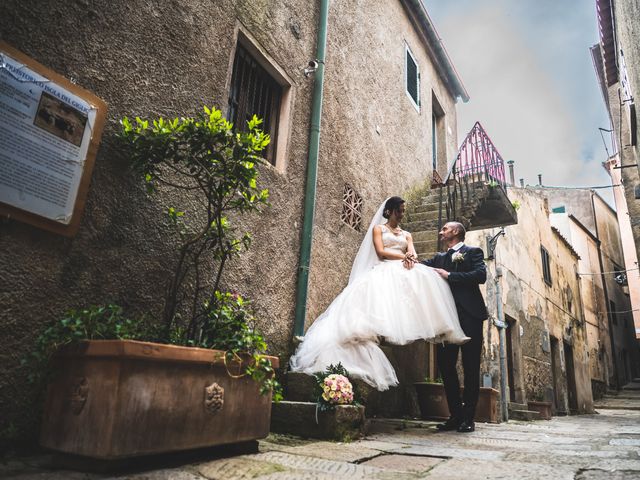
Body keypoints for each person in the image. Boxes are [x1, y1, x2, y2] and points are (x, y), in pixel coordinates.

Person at [289, 197, 469, 391]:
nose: (402, 214)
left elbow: (413, 254)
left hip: (403, 268)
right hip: (384, 268)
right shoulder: (378, 229)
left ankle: (443, 327)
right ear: (390, 211)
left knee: (430, 278)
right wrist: (404, 256)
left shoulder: (407, 234)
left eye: (403, 210)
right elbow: (381, 252)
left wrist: (410, 257)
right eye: (399, 210)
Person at [419, 221, 487, 433]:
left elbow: (480, 275)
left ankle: (468, 419)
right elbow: (421, 267)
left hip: (470, 317)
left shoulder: (473, 252)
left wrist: (450, 276)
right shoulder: (439, 258)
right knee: (446, 367)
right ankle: (455, 416)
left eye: (445, 229)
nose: (441, 232)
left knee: (470, 367)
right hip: (446, 320)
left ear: (456, 232)